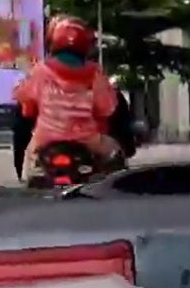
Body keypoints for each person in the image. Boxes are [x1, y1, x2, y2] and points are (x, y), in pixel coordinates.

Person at [10, 16, 122, 183]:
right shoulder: (94, 73)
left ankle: (26, 185)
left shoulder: (41, 71)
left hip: (46, 139)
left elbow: (26, 103)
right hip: (88, 140)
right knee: (115, 153)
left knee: (30, 161)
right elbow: (107, 107)